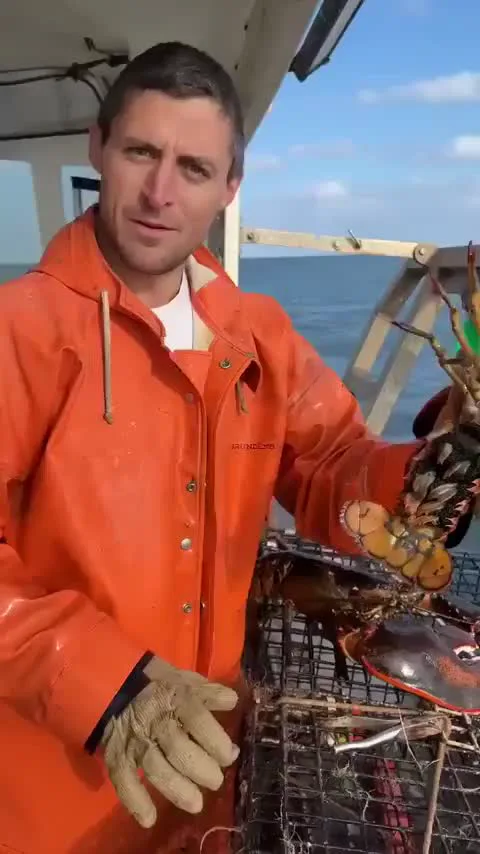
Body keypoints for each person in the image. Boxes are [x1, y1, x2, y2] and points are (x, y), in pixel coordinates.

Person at [0, 41, 458, 854]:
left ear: (230, 187)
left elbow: (333, 469)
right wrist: (102, 686)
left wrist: (429, 473)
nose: (161, 192)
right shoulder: (20, 330)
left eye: (194, 169)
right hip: (52, 785)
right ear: (98, 148)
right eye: (141, 152)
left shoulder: (259, 334)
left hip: (211, 769)